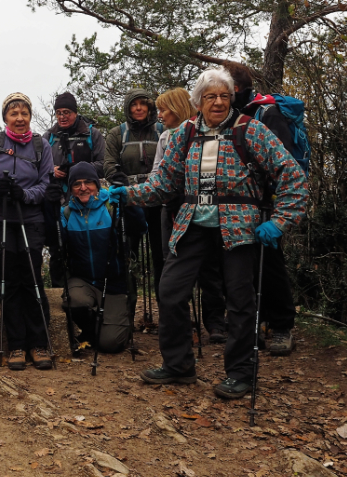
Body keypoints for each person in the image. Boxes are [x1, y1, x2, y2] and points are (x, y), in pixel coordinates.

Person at [116, 66, 306, 399]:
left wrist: (279, 221)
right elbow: (164, 184)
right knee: (170, 291)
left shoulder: (251, 130)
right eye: (210, 97)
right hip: (192, 224)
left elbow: (293, 177)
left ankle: (241, 373)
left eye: (223, 96)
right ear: (198, 101)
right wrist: (126, 195)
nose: (217, 102)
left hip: (240, 227)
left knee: (240, 301)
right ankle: (178, 366)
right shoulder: (185, 133)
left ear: (232, 98)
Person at [0, 92, 54, 371]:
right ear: (5, 117)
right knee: (9, 280)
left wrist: (25, 194)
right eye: (13, 113)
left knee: (32, 279)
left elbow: (45, 185)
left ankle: (39, 343)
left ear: (30, 116)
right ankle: (16, 345)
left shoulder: (41, 145)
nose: (20, 118)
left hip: (30, 219)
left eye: (24, 113)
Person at [227, 63, 300, 356]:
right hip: (239, 203)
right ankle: (254, 323)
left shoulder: (267, 113)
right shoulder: (231, 115)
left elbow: (283, 160)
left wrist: (275, 207)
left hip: (266, 203)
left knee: (269, 263)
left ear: (235, 88)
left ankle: (282, 325)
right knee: (244, 266)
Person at [153, 88, 227, 345]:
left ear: (176, 109)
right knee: (173, 268)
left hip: (201, 211)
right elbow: (157, 173)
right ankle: (184, 328)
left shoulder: (202, 134)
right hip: (171, 209)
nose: (160, 115)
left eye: (163, 109)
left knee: (210, 268)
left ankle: (215, 323)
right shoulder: (165, 138)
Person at [104, 89, 164, 330]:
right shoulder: (117, 133)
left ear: (150, 107)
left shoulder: (162, 131)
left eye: (143, 104)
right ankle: (125, 313)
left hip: (159, 200)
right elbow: (109, 164)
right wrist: (119, 181)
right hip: (129, 202)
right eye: (134, 105)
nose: (139, 108)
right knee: (127, 257)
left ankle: (168, 313)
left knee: (162, 257)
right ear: (128, 108)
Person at [58, 162, 131, 354]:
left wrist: (128, 199)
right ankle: (92, 329)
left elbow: (140, 228)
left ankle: (113, 321)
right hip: (82, 280)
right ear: (71, 189)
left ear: (97, 185)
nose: (83, 188)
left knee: (111, 343)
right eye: (77, 184)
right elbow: (55, 243)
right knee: (74, 301)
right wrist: (49, 209)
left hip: (114, 283)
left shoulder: (111, 206)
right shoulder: (66, 213)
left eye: (88, 182)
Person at [42, 91, 105, 288]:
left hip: (86, 200)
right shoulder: (48, 137)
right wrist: (51, 170)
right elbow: (38, 166)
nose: (62, 116)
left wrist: (76, 171)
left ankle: (87, 288)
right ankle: (59, 290)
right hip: (57, 200)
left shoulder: (91, 134)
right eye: (58, 112)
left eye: (66, 112)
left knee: (84, 245)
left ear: (75, 112)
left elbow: (104, 164)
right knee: (57, 248)